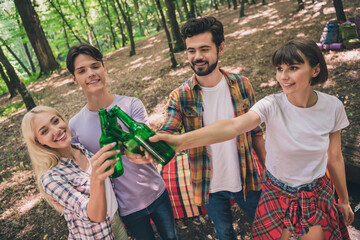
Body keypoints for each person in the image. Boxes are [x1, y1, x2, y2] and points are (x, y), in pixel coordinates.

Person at [151, 38, 355, 239]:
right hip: (277, 192)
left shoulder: (332, 107)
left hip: (317, 193)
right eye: (279, 69)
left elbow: (335, 157)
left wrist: (343, 200)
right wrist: (179, 142)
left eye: (293, 68)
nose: (283, 76)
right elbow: (233, 126)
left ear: (315, 70)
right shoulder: (271, 105)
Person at [158, 16, 266, 240]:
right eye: (191, 50)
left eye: (204, 49)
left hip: (246, 176)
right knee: (225, 233)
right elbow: (168, 132)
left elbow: (256, 133)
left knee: (266, 227)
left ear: (221, 48)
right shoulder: (180, 96)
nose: (197, 57)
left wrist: (269, 171)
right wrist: (150, 145)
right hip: (208, 184)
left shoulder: (242, 84)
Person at [66, 44, 177, 240]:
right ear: (74, 79)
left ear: (104, 68)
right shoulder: (74, 126)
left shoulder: (131, 104)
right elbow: (83, 171)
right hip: (125, 206)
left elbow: (145, 147)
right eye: (82, 71)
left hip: (156, 192)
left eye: (95, 66)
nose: (91, 73)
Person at [21, 106, 128, 239]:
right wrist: (96, 177)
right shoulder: (51, 178)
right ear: (38, 142)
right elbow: (95, 216)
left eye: (55, 121)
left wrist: (125, 149)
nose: (56, 130)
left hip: (115, 222)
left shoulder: (81, 148)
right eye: (44, 131)